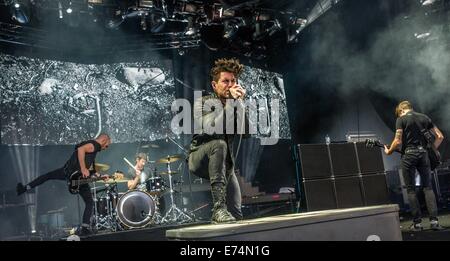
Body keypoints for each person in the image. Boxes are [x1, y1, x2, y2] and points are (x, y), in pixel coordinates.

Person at [188, 58, 249, 224]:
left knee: (236, 212)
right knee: (219, 144)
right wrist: (230, 103)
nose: (230, 85)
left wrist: (240, 104)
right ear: (215, 85)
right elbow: (211, 128)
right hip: (199, 158)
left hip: (224, 164)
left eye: (233, 81)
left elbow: (245, 133)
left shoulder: (235, 103)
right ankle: (218, 209)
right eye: (225, 81)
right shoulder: (203, 102)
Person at [16, 133, 112, 236]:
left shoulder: (92, 147)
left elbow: (89, 165)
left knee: (47, 176)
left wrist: (100, 175)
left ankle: (25, 188)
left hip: (67, 172)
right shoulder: (94, 145)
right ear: (103, 140)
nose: (105, 148)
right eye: (106, 145)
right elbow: (81, 150)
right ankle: (85, 228)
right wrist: (83, 168)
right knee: (89, 202)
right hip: (77, 175)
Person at [384, 101, 444, 231]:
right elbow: (439, 137)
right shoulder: (424, 117)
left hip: (409, 156)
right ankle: (434, 222)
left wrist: (389, 151)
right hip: (424, 154)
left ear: (401, 111)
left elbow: (398, 140)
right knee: (428, 187)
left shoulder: (401, 119)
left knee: (411, 189)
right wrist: (429, 151)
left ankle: (417, 224)